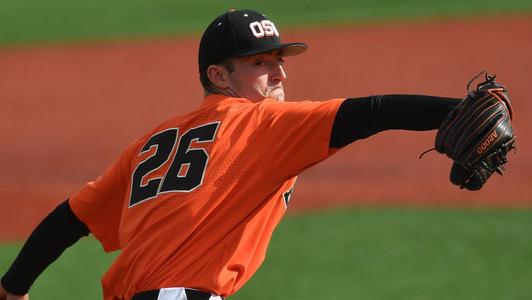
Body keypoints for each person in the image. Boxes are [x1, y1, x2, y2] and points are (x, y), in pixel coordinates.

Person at [1, 9, 462, 300]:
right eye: (261, 63)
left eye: (280, 60)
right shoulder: (258, 123)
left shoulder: (151, 143)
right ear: (219, 76)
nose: (279, 73)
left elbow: (70, 218)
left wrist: (13, 286)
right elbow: (370, 112)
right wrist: (456, 111)